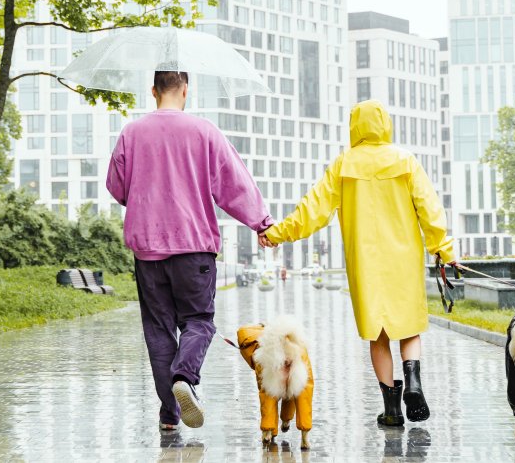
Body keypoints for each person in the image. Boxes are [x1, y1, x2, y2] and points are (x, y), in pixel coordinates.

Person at [259, 100, 457, 427]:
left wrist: (277, 233)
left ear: (355, 127)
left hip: (366, 264)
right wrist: (444, 250)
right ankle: (415, 384)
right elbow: (430, 210)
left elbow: (312, 210)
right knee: (408, 328)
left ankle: (392, 410)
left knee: (378, 336)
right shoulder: (405, 161)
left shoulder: (344, 165)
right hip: (404, 259)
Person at [107, 71, 273, 431]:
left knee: (158, 329)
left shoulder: (131, 133)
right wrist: (261, 222)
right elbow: (234, 184)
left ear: (153, 91)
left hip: (148, 249)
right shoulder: (204, 131)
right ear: (185, 89)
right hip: (194, 248)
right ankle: (185, 376)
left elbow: (117, 187)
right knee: (198, 321)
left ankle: (170, 413)